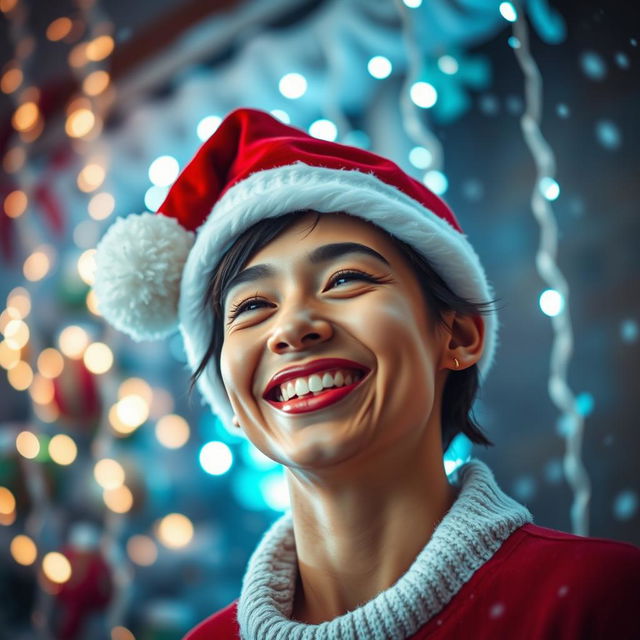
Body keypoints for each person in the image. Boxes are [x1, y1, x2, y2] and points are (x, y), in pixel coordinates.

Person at [94, 108, 640, 639]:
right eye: (252, 307)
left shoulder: (600, 600)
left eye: (345, 279)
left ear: (457, 336)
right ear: (230, 401)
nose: (294, 327)